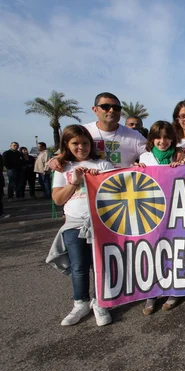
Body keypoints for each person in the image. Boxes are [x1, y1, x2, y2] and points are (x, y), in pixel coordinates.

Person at [46, 125, 114, 326]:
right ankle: (80, 303)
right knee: (79, 267)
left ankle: (101, 302)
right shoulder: (63, 167)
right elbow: (58, 199)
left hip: (101, 224)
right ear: (66, 145)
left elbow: (115, 194)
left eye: (85, 143)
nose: (81, 147)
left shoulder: (102, 164)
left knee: (101, 265)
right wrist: (74, 182)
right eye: (75, 143)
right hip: (74, 225)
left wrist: (98, 180)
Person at [136, 121, 185, 315]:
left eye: (167, 137)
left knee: (174, 250)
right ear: (152, 139)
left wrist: (184, 165)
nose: (162, 141)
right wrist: (136, 168)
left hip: (176, 212)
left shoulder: (181, 155)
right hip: (151, 213)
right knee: (154, 252)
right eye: (158, 137)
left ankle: (174, 290)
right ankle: (152, 293)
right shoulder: (145, 157)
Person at [50, 92, 147, 170]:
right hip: (90, 189)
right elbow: (64, 153)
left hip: (122, 189)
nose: (111, 110)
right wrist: (54, 160)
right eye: (105, 107)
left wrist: (140, 165)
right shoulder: (83, 131)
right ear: (95, 110)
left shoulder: (135, 136)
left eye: (116, 108)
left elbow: (152, 156)